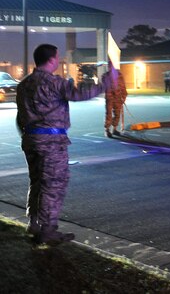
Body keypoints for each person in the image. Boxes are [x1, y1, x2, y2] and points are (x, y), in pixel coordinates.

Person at [16, 44, 112, 245]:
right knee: (53, 185)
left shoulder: (24, 85)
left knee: (36, 182)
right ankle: (48, 230)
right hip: (51, 142)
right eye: (57, 58)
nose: (58, 61)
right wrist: (106, 83)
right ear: (51, 60)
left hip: (30, 139)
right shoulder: (54, 82)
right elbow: (79, 93)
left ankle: (33, 223)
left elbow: (20, 117)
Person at [103, 70, 128, 137]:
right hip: (110, 98)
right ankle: (107, 130)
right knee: (109, 114)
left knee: (117, 114)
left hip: (118, 98)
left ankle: (114, 129)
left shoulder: (120, 75)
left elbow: (123, 87)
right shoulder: (106, 76)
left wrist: (123, 97)